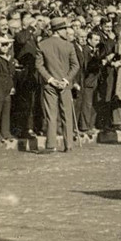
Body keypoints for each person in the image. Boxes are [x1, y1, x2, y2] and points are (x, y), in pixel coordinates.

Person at [35, 17, 81, 153]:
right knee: (67, 114)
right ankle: (69, 145)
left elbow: (39, 65)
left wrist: (50, 79)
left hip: (50, 85)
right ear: (59, 30)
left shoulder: (42, 44)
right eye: (65, 29)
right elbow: (75, 65)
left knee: (51, 114)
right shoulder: (69, 45)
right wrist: (66, 80)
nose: (67, 32)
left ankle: (51, 145)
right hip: (65, 85)